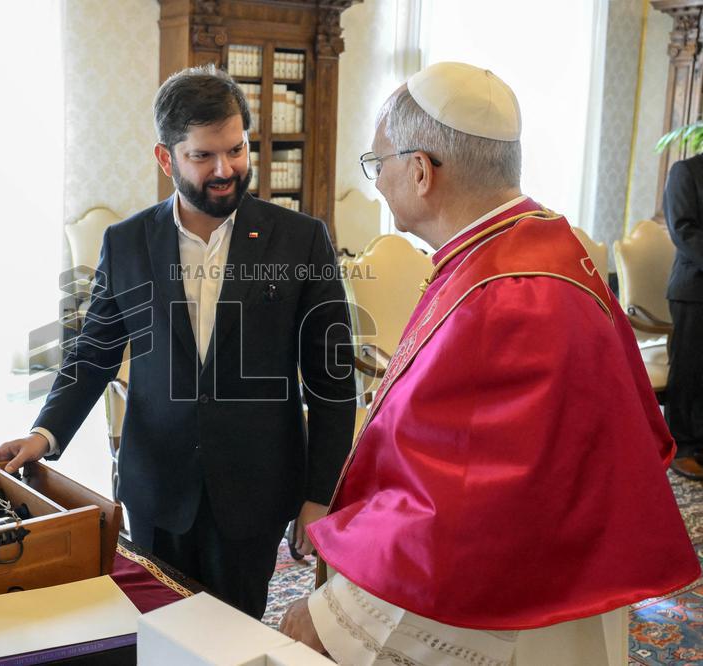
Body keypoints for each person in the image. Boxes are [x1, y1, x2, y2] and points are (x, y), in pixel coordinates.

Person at [280, 62, 699, 664]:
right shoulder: (545, 248)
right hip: (562, 569)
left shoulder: (507, 294)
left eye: (379, 164)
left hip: (505, 605)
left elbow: (459, 502)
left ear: (421, 172)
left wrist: (331, 611)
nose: (376, 182)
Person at [0, 65, 356, 619]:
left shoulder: (300, 239)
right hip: (156, 485)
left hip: (257, 485)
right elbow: (94, 353)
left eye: (236, 150)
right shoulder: (127, 242)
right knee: (162, 632)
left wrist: (319, 495)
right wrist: (44, 433)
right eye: (203, 156)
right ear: (166, 158)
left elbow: (331, 379)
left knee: (237, 638)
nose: (225, 170)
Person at [662, 154, 703, 480]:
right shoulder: (685, 171)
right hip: (693, 290)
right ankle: (682, 447)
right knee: (689, 372)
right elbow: (683, 230)